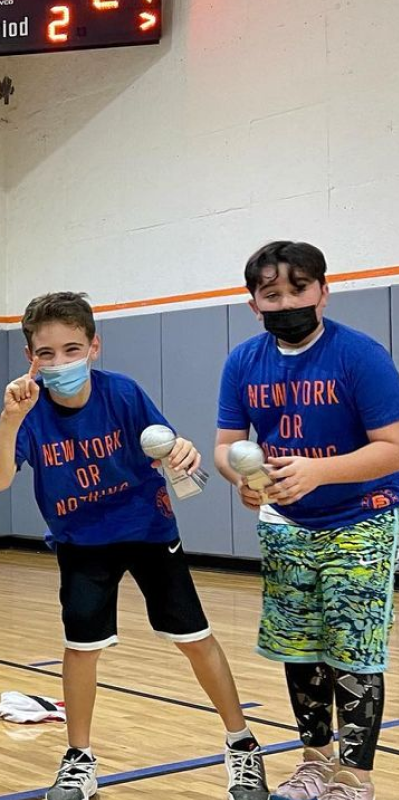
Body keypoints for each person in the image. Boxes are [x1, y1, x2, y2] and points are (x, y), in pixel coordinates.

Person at [0, 292, 268, 800]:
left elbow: (168, 446)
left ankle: (242, 744)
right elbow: (0, 479)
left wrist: (181, 451)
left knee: (195, 636)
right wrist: (8, 420)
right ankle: (79, 761)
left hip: (149, 531)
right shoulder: (27, 410)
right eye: (46, 354)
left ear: (95, 346)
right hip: (81, 542)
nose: (60, 363)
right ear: (31, 358)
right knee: (81, 649)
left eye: (72, 350)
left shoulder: (124, 393)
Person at [213, 241, 398, 800]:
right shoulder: (243, 361)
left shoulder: (359, 356)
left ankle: (355, 777)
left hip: (360, 522)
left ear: (323, 290)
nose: (286, 301)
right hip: (286, 526)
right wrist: (241, 480)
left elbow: (392, 446)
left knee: (353, 652)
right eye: (272, 294)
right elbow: (225, 447)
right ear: (254, 303)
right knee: (301, 648)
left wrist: (320, 472)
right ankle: (314, 763)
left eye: (298, 289)